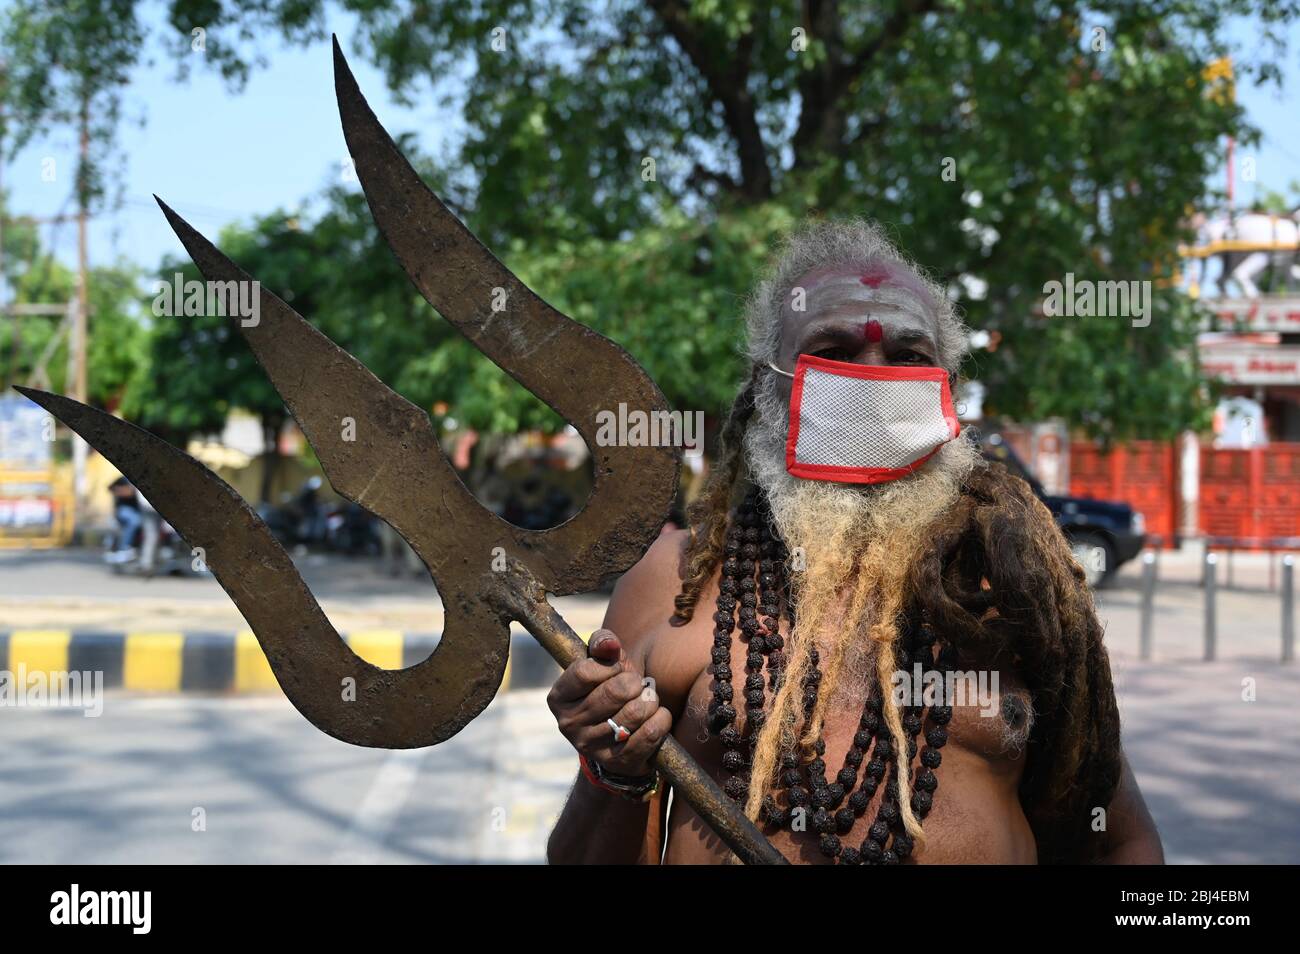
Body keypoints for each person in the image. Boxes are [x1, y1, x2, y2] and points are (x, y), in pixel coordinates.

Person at [546, 219, 1163, 865]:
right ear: (765, 385)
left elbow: (1120, 841)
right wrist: (609, 770)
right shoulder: (674, 581)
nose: (873, 377)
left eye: (909, 356)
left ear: (946, 388)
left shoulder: (1010, 583)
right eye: (833, 350)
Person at [105, 476, 143, 564]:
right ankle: (125, 548)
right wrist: (125, 492)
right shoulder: (124, 479)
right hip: (124, 509)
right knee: (134, 521)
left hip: (141, 509)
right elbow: (110, 488)